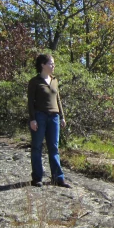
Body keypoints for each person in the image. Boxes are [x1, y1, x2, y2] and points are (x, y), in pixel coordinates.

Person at [27, 54, 71, 187]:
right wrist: (32, 119)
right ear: (42, 65)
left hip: (54, 117)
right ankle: (37, 178)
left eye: (53, 64)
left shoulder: (55, 80)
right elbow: (30, 102)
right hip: (39, 116)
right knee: (37, 147)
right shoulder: (34, 81)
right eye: (51, 64)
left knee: (54, 147)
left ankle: (58, 178)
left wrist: (62, 116)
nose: (53, 66)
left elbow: (58, 100)